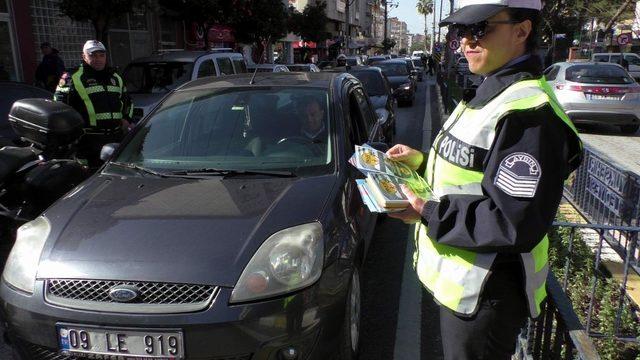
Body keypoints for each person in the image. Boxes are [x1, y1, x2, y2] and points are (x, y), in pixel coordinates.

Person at [386, 0, 583, 359]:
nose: (465, 42)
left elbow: (512, 220)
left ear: (522, 30)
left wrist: (429, 212)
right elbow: (477, 169)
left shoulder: (528, 114)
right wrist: (422, 163)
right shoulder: (492, 92)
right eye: (460, 32)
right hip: (466, 289)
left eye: (480, 30)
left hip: (487, 294)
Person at [54, 40, 133, 167]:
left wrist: (126, 118)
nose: (98, 59)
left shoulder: (115, 77)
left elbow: (127, 101)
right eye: (93, 55)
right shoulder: (72, 77)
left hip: (117, 138)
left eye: (101, 55)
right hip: (89, 141)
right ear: (84, 56)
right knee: (91, 178)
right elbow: (60, 108)